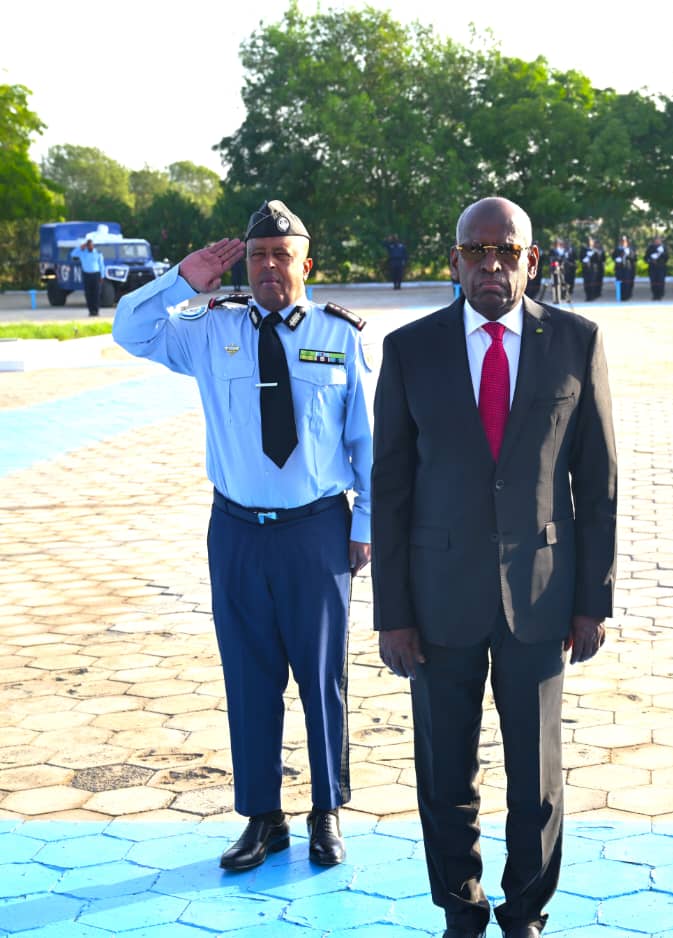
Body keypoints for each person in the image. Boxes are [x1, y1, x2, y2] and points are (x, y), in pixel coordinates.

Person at [372, 196, 617, 938]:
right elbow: (390, 487)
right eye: (475, 251)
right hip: (438, 598)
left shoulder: (575, 341)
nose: (491, 264)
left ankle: (527, 910)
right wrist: (393, 612)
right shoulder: (411, 349)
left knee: (535, 777)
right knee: (446, 773)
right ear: (455, 261)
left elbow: (597, 480)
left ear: (531, 261)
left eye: (506, 251)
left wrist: (593, 600)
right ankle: (461, 905)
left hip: (542, 599)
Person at [113, 199, 372, 872]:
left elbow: (367, 442)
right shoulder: (208, 329)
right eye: (257, 255)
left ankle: (327, 811)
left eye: (281, 256)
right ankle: (264, 818)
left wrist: (367, 524)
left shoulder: (338, 334)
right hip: (235, 532)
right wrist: (182, 279)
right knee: (249, 680)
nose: (267, 267)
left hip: (318, 531)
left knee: (322, 681)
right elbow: (128, 330)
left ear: (305, 265)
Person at [69, 236, 107, 316]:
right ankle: (91, 311)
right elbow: (72, 254)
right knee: (88, 293)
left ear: (93, 245)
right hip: (86, 275)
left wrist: (102, 276)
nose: (89, 247)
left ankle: (96, 311)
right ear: (86, 246)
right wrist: (80, 247)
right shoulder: (82, 253)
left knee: (96, 293)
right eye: (88, 245)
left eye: (91, 245)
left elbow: (101, 265)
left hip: (96, 275)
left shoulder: (98, 253)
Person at [580, 236, 605, 300]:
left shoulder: (596, 250)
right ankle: (588, 296)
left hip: (593, 269)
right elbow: (580, 258)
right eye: (588, 241)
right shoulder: (584, 250)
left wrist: (595, 254)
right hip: (585, 269)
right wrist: (585, 257)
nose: (589, 242)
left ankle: (592, 296)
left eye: (590, 241)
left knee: (592, 282)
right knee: (586, 283)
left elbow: (600, 259)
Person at [613, 235, 636, 301]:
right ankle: (620, 296)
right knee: (620, 282)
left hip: (628, 268)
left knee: (627, 283)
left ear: (627, 242)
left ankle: (627, 296)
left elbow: (634, 258)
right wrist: (617, 259)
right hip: (619, 268)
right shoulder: (617, 249)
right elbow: (613, 257)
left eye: (624, 241)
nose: (623, 242)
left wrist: (628, 255)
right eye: (622, 241)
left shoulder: (630, 249)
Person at [645, 236, 668, 300]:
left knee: (661, 281)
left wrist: (662, 253)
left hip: (661, 268)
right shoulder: (650, 247)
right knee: (653, 282)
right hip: (652, 268)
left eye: (658, 240)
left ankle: (660, 295)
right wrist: (651, 260)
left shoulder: (663, 248)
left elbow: (666, 257)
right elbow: (646, 257)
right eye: (656, 240)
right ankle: (655, 295)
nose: (657, 241)